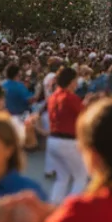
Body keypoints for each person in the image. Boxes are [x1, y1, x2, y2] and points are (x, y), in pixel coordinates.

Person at [47, 66, 87, 203]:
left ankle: (54, 208)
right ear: (71, 81)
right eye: (76, 80)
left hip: (53, 140)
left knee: (62, 178)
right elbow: (85, 115)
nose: (77, 83)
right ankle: (72, 209)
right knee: (81, 176)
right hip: (68, 141)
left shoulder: (53, 97)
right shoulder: (71, 98)